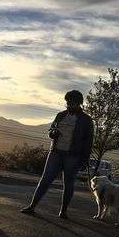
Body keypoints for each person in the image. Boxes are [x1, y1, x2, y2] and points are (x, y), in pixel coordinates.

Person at [21, 90, 94, 219]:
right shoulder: (60, 115)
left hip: (73, 156)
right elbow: (51, 131)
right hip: (55, 153)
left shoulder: (86, 120)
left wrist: (85, 159)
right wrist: (53, 133)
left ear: (79, 103)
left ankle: (63, 211)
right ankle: (32, 206)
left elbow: (89, 141)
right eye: (68, 102)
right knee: (45, 180)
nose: (69, 104)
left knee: (68, 183)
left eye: (72, 102)